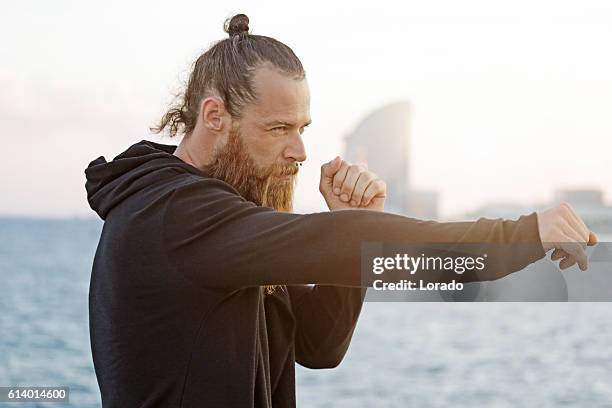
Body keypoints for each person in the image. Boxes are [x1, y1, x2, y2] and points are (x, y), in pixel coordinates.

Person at [84, 14, 597, 408]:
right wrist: (522, 236)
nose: (300, 152)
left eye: (303, 128)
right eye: (279, 129)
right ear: (214, 115)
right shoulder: (175, 213)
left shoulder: (221, 225)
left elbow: (318, 345)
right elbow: (344, 244)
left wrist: (351, 220)